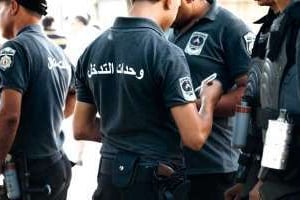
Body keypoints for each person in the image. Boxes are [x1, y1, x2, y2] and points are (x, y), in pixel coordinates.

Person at [73, 0, 223, 199]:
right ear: (169, 2)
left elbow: (81, 128)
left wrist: (123, 134)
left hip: (109, 178)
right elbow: (194, 137)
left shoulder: (92, 50)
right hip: (154, 182)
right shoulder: (165, 52)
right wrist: (208, 100)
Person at [169, 0, 254, 199]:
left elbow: (250, 92)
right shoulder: (167, 29)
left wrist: (193, 107)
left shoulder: (230, 27)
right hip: (169, 165)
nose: (165, 5)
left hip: (213, 166)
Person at [0, 0, 74, 199]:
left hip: (31, 174)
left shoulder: (14, 49)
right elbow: (72, 98)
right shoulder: (59, 52)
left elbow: (9, 117)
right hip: (58, 164)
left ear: (13, 6)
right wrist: (45, 120)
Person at [224, 0, 279, 199]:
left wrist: (266, 181)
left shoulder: (293, 30)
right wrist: (244, 177)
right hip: (259, 163)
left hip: (282, 174)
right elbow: (255, 100)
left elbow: (285, 112)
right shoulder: (269, 26)